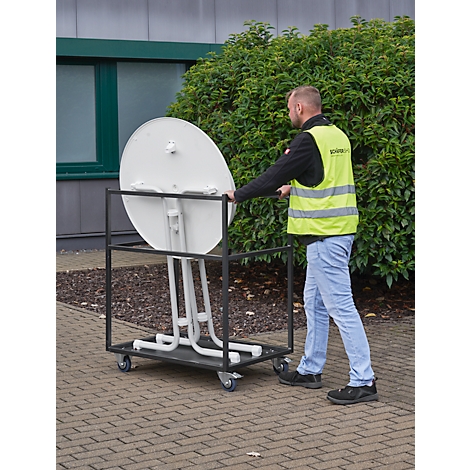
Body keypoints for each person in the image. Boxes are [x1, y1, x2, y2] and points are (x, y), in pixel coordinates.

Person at [225, 85, 378, 405]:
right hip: (334, 232)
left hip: (325, 237)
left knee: (340, 307)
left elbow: (274, 173)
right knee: (316, 304)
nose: (289, 113)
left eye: (289, 108)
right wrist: (293, 189)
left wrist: (238, 195)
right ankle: (310, 370)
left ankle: (363, 380)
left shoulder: (308, 140)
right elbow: (323, 178)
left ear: (299, 108)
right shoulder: (337, 135)